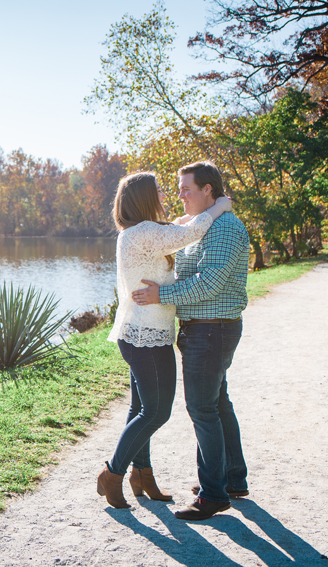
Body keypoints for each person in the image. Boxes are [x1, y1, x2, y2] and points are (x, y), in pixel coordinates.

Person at [96, 171, 233, 509]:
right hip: (147, 337)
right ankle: (112, 473)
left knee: (140, 408)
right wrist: (220, 207)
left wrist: (195, 216)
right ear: (144, 197)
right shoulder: (145, 233)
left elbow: (178, 227)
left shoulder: (136, 232)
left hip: (137, 332)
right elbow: (190, 232)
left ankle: (142, 476)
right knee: (156, 412)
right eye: (157, 189)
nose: (163, 193)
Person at [132, 161, 250, 521]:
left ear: (207, 190)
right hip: (203, 328)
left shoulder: (225, 229)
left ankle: (213, 494)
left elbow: (207, 283)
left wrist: (161, 295)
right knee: (217, 404)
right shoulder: (206, 226)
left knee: (202, 409)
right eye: (179, 188)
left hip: (212, 329)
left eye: (186, 188)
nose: (180, 195)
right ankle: (232, 479)